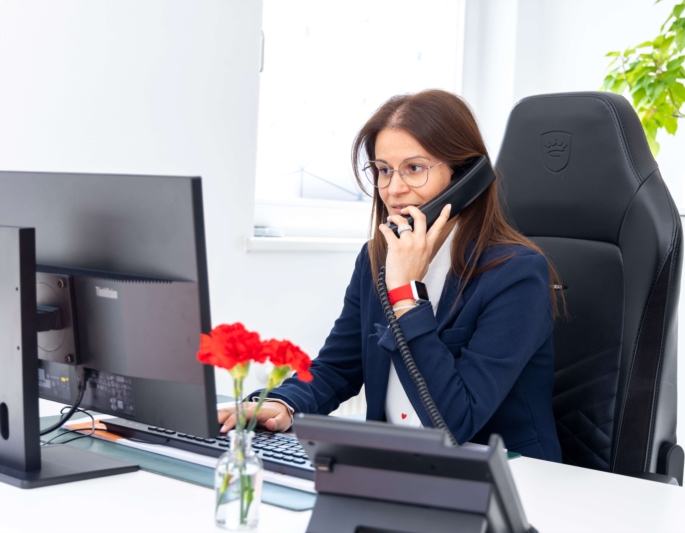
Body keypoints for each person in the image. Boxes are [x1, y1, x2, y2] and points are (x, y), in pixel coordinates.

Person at [218, 89, 562, 461]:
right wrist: (284, 403)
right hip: (397, 467)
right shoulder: (376, 258)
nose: (394, 190)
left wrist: (406, 293)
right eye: (383, 170)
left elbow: (453, 422)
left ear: (464, 175)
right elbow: (338, 367)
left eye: (414, 168)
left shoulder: (516, 274)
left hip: (505, 477)